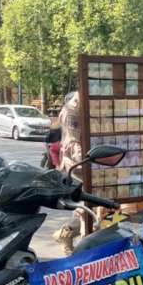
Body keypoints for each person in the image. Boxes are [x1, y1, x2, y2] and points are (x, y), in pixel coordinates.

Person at [52, 91, 84, 255]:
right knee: (87, 206)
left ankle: (67, 233)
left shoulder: (78, 108)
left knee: (89, 207)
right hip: (79, 165)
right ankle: (72, 237)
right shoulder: (72, 111)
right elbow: (73, 142)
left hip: (83, 162)